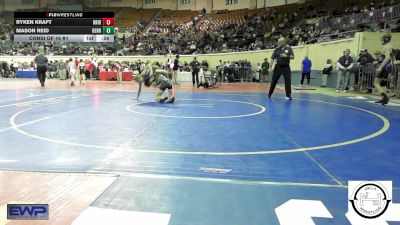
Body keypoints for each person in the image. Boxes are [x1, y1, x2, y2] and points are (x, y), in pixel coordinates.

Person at [374, 34, 393, 105]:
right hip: (388, 66)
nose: (381, 41)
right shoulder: (390, 45)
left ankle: (385, 97)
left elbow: (387, 57)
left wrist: (380, 67)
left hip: (385, 66)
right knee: (383, 84)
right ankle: (384, 99)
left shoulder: (386, 46)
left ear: (385, 39)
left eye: (382, 39)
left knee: (376, 83)